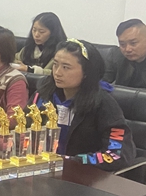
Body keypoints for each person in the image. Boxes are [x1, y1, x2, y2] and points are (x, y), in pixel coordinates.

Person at [34, 39, 135, 171]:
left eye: (66, 67)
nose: (57, 72)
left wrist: (73, 161)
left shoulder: (104, 104)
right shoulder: (44, 94)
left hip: (82, 174)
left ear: (86, 72)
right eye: (55, 65)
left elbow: (116, 155)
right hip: (40, 168)